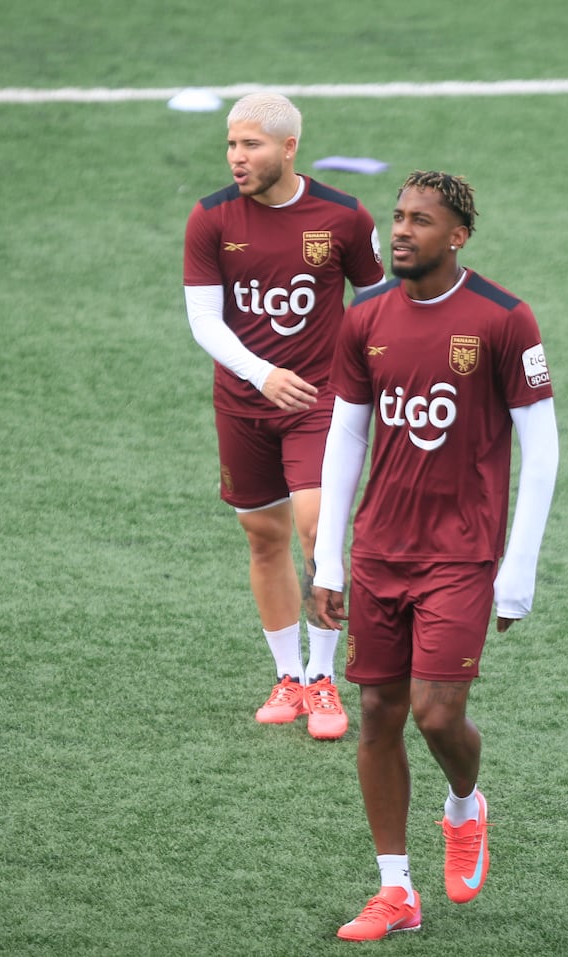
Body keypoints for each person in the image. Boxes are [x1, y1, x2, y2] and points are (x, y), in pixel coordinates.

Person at [312, 171, 559, 940]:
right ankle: (396, 891)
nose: (401, 231)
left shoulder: (504, 319)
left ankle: (464, 806)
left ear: (457, 236)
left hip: (461, 556)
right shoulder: (366, 318)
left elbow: (542, 450)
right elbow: (347, 434)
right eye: (397, 218)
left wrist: (517, 572)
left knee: (435, 710)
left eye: (421, 221)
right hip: (380, 549)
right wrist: (327, 557)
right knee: (379, 713)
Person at [182, 92, 385, 740]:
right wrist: (261, 373)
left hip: (320, 401)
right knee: (262, 537)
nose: (237, 158)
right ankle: (290, 676)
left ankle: (325, 679)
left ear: (289, 147)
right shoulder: (211, 218)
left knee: (317, 526)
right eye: (231, 145)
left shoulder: (346, 218)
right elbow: (203, 318)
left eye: (252, 146)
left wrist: (368, 374)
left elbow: (378, 302)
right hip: (244, 402)